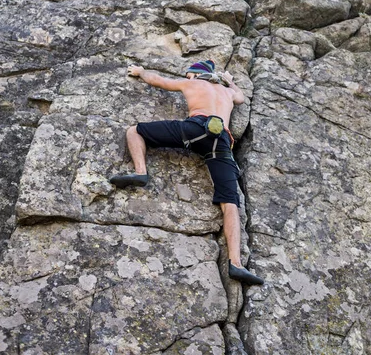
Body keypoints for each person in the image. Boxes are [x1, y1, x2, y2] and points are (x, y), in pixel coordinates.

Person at [109, 59, 264, 286]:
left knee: (135, 131)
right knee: (230, 202)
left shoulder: (191, 83)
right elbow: (240, 97)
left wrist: (141, 71)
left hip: (195, 129)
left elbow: (159, 81)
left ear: (193, 74)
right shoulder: (226, 92)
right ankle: (236, 263)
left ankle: (141, 172)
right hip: (220, 140)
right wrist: (230, 81)